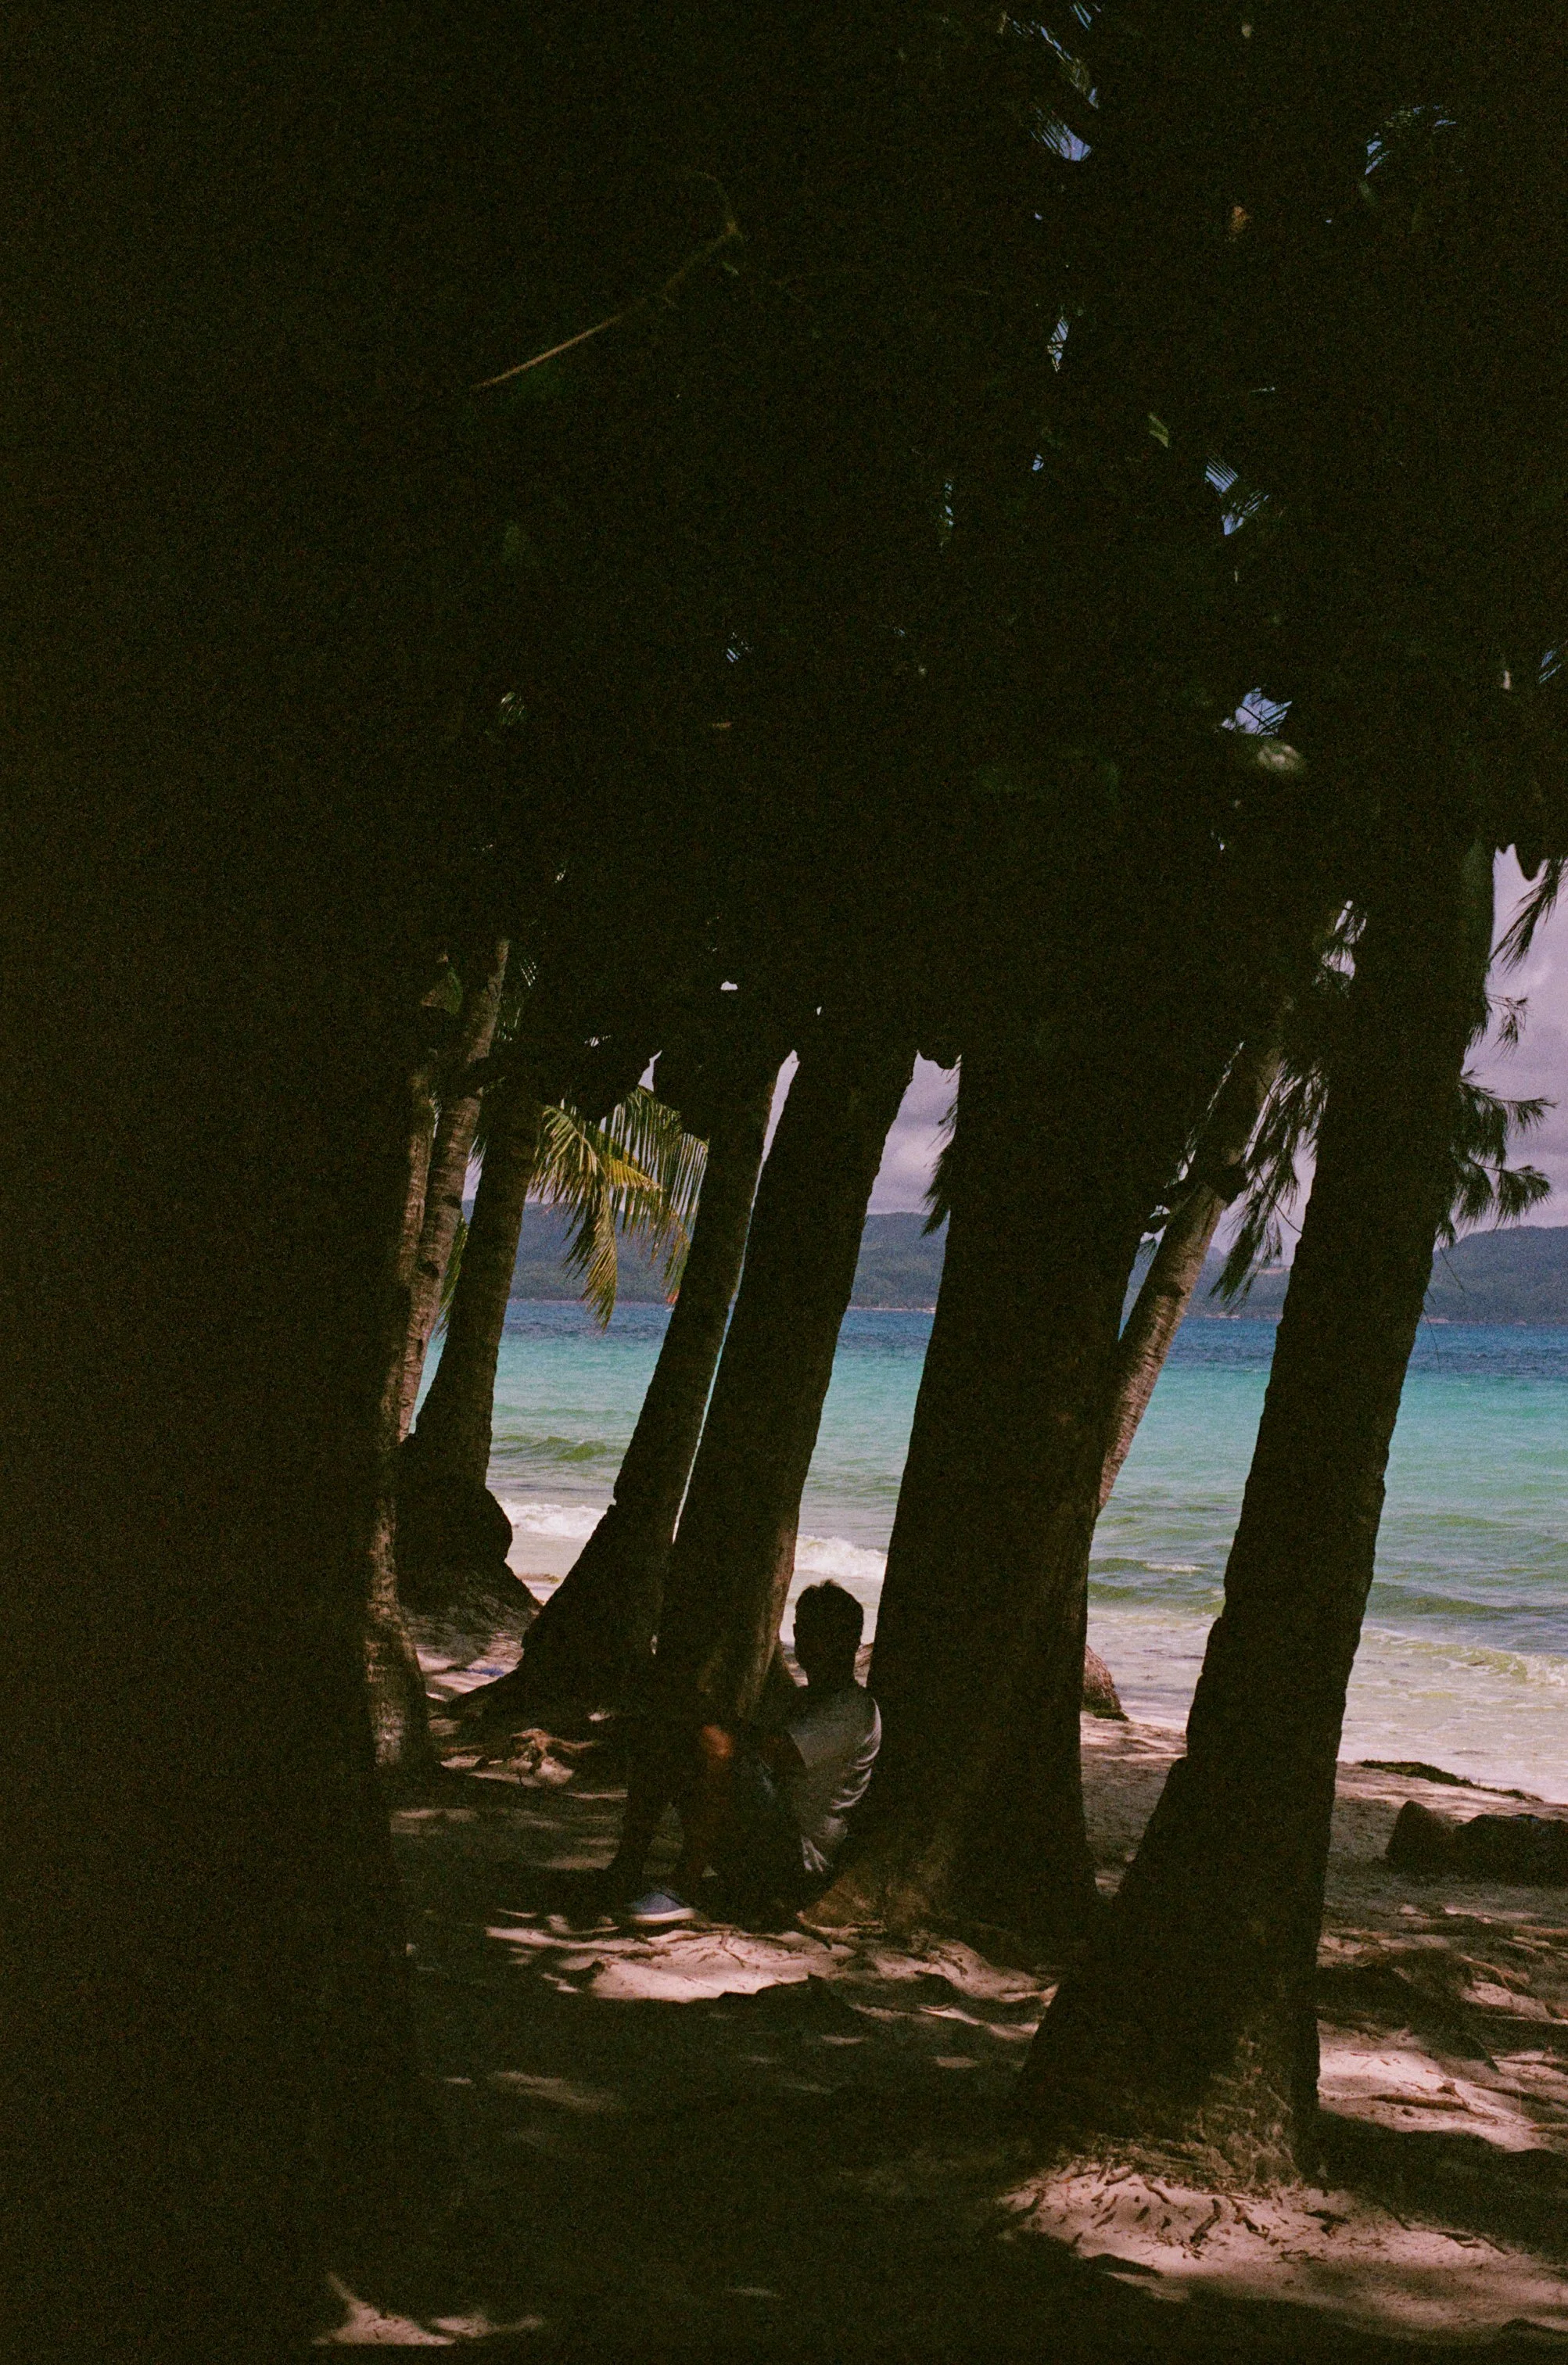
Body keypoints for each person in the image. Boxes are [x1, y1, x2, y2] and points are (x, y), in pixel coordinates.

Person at [611, 1580, 881, 1929]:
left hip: (795, 1865)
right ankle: (627, 1867)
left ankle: (684, 1889)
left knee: (713, 1744)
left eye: (827, 1635)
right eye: (808, 1632)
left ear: (849, 1642)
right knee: (671, 1737)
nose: (814, 1644)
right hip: (766, 1843)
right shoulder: (805, 1701)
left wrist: (709, 1724)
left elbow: (771, 1753)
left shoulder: (851, 1709)